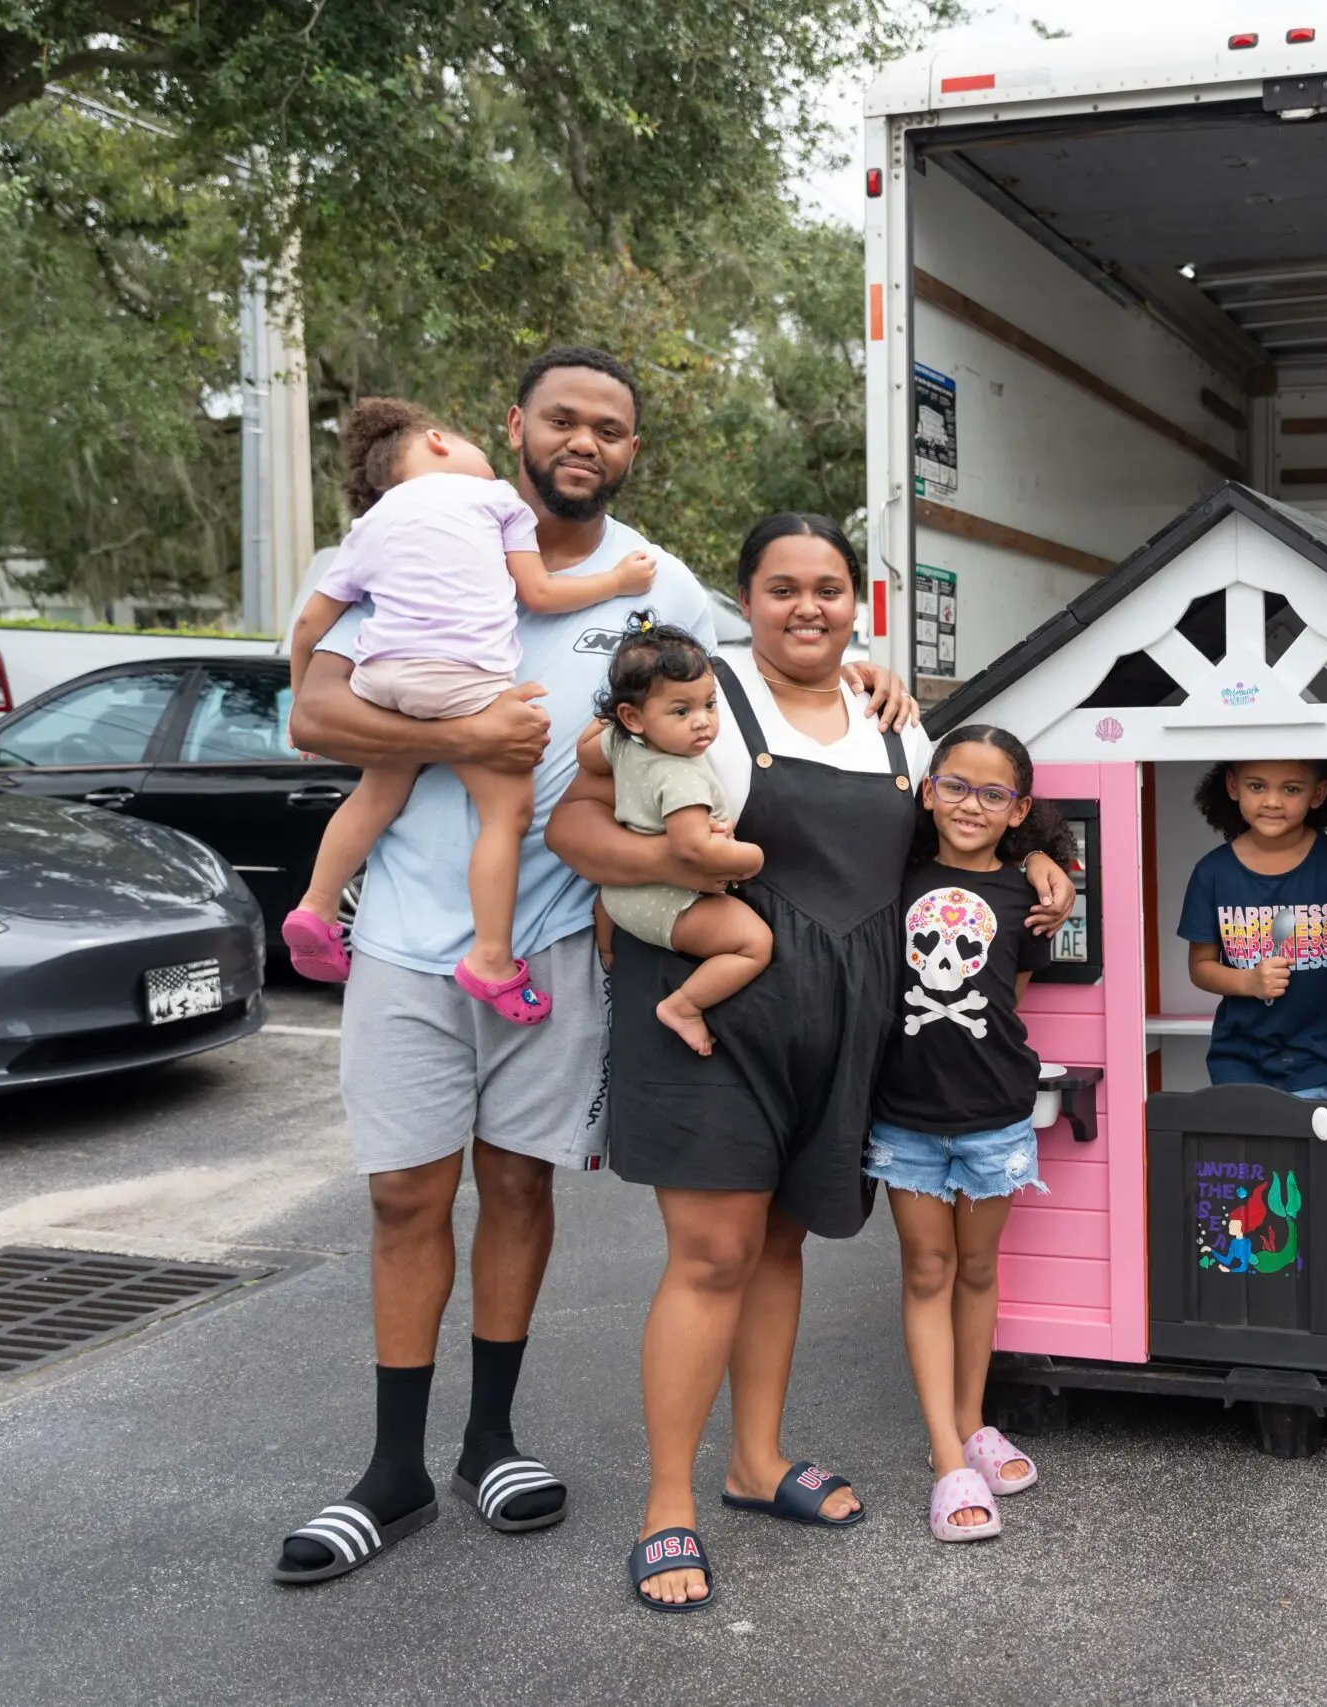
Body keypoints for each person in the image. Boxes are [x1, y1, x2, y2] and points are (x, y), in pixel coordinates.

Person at [270, 348, 915, 1588]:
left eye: (610, 429)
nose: (585, 442)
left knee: (520, 1190)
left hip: (558, 942)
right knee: (405, 1200)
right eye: (563, 419)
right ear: (514, 424)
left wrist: (865, 670)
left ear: (631, 451)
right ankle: (391, 1471)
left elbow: (743, 682)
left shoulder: (655, 584)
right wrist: (470, 731)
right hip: (404, 934)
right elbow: (313, 713)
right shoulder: (415, 534)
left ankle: (492, 1444)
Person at [543, 514, 1074, 1613]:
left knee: (779, 1241)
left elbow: (962, 832)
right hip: (712, 1013)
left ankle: (757, 1461)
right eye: (781, 588)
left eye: (828, 588)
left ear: (856, 603)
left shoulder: (898, 728)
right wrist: (677, 859)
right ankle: (666, 1505)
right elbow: (573, 827)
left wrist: (1041, 857)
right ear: (745, 600)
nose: (806, 608)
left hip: (842, 1023)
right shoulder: (697, 701)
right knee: (713, 1252)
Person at [280, 397, 659, 1021]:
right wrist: (617, 583)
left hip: (382, 678)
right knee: (506, 814)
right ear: (437, 441)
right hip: (463, 679)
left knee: (377, 793)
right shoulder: (496, 499)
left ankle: (316, 907)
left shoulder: (371, 523)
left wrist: (301, 698)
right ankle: (490, 957)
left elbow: (308, 627)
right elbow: (538, 593)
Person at [868, 724, 1069, 1544]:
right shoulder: (893, 877)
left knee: (979, 1268)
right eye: (954, 785)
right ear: (928, 790)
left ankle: (973, 1421)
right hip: (906, 1118)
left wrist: (1046, 859)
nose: (970, 805)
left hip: (996, 1116)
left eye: (993, 793)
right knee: (928, 1271)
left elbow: (1007, 994)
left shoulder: (1031, 895)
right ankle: (947, 1455)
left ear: (1018, 809)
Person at [573, 616, 773, 1055]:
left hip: (614, 896)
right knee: (755, 944)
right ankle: (684, 1006)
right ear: (634, 717)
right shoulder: (681, 775)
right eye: (682, 711)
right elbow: (691, 849)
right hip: (664, 901)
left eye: (709, 705)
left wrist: (615, 712)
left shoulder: (623, 743)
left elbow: (585, 754)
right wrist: (751, 857)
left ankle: (608, 953)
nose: (702, 722)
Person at [1179, 759, 1327, 1101]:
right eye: (1256, 786)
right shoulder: (1211, 872)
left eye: (1291, 789)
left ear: (1318, 794)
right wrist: (1249, 982)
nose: (1272, 801)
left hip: (1319, 1058)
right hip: (1238, 1058)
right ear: (1233, 786)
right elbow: (1200, 967)